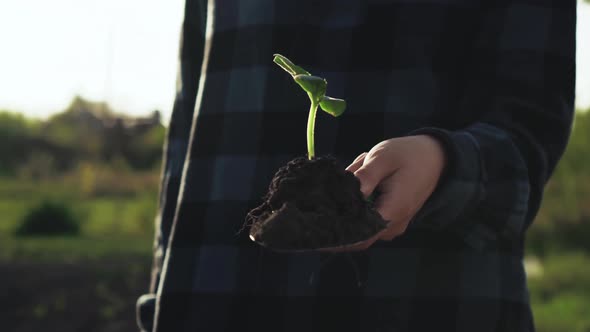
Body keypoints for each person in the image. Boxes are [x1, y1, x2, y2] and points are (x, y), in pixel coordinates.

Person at [137, 0, 577, 331]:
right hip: (214, 292)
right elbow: (186, 130)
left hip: (426, 299)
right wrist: (160, 292)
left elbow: (531, 122)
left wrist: (445, 162)